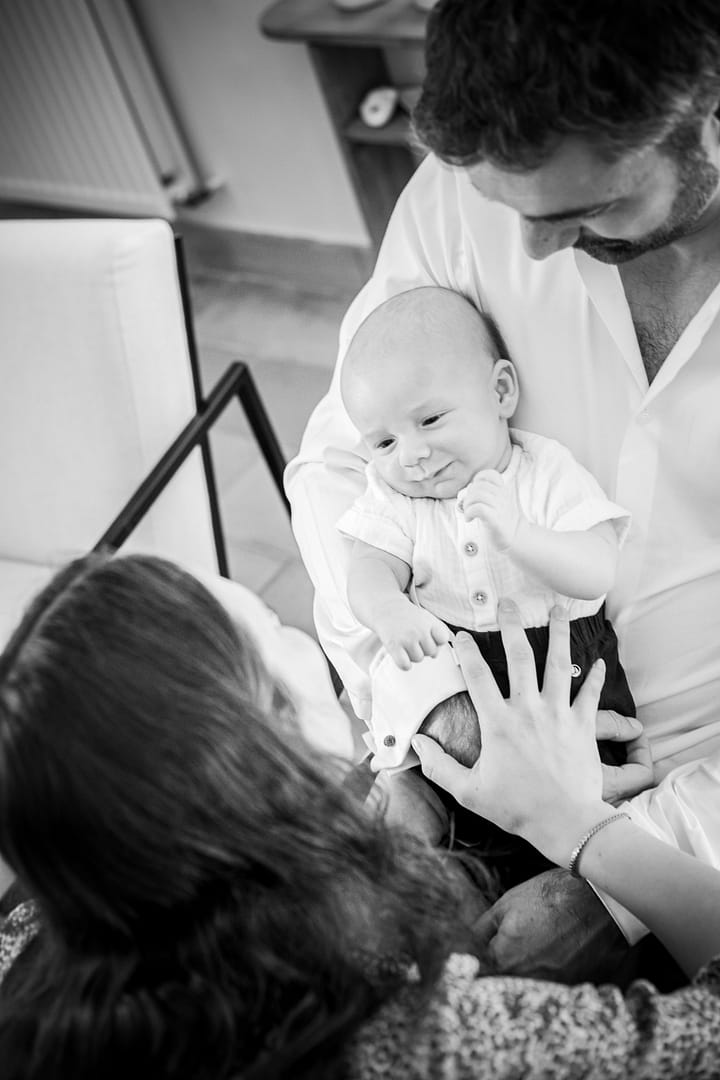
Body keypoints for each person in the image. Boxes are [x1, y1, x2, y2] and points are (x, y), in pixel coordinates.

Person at [285, 0, 720, 975]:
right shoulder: (473, 188)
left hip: (696, 787)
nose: (527, 254)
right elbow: (347, 459)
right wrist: (416, 705)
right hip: (457, 711)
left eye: (589, 207)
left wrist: (620, 863)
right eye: (513, 211)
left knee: (523, 994)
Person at [1, 554, 720, 1078]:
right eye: (278, 633)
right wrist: (581, 829)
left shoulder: (32, 934)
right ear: (270, 750)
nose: (306, 637)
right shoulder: (431, 1043)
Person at [338, 285, 632, 780]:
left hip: (564, 671)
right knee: (429, 776)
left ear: (500, 392)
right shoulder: (401, 499)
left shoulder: (542, 473)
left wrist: (519, 536)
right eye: (384, 442)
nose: (411, 455)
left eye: (430, 419)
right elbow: (368, 566)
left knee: (582, 780)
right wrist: (390, 610)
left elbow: (598, 570)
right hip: (458, 676)